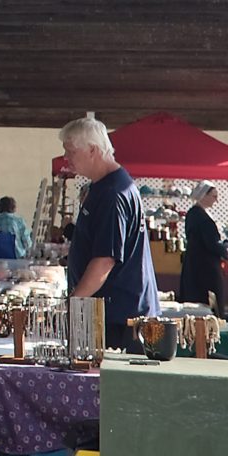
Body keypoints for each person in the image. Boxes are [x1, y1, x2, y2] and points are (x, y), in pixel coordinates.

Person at [59, 117, 158, 347]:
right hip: (115, 314)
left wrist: (73, 304)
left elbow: (105, 260)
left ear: (92, 150)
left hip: (119, 320)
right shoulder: (104, 186)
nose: (67, 159)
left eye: (71, 152)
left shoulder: (112, 193)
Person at [178, 181, 228, 316]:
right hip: (205, 268)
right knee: (207, 302)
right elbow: (211, 243)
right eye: (214, 196)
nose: (216, 200)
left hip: (195, 264)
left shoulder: (193, 214)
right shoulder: (202, 218)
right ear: (204, 195)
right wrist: (226, 252)